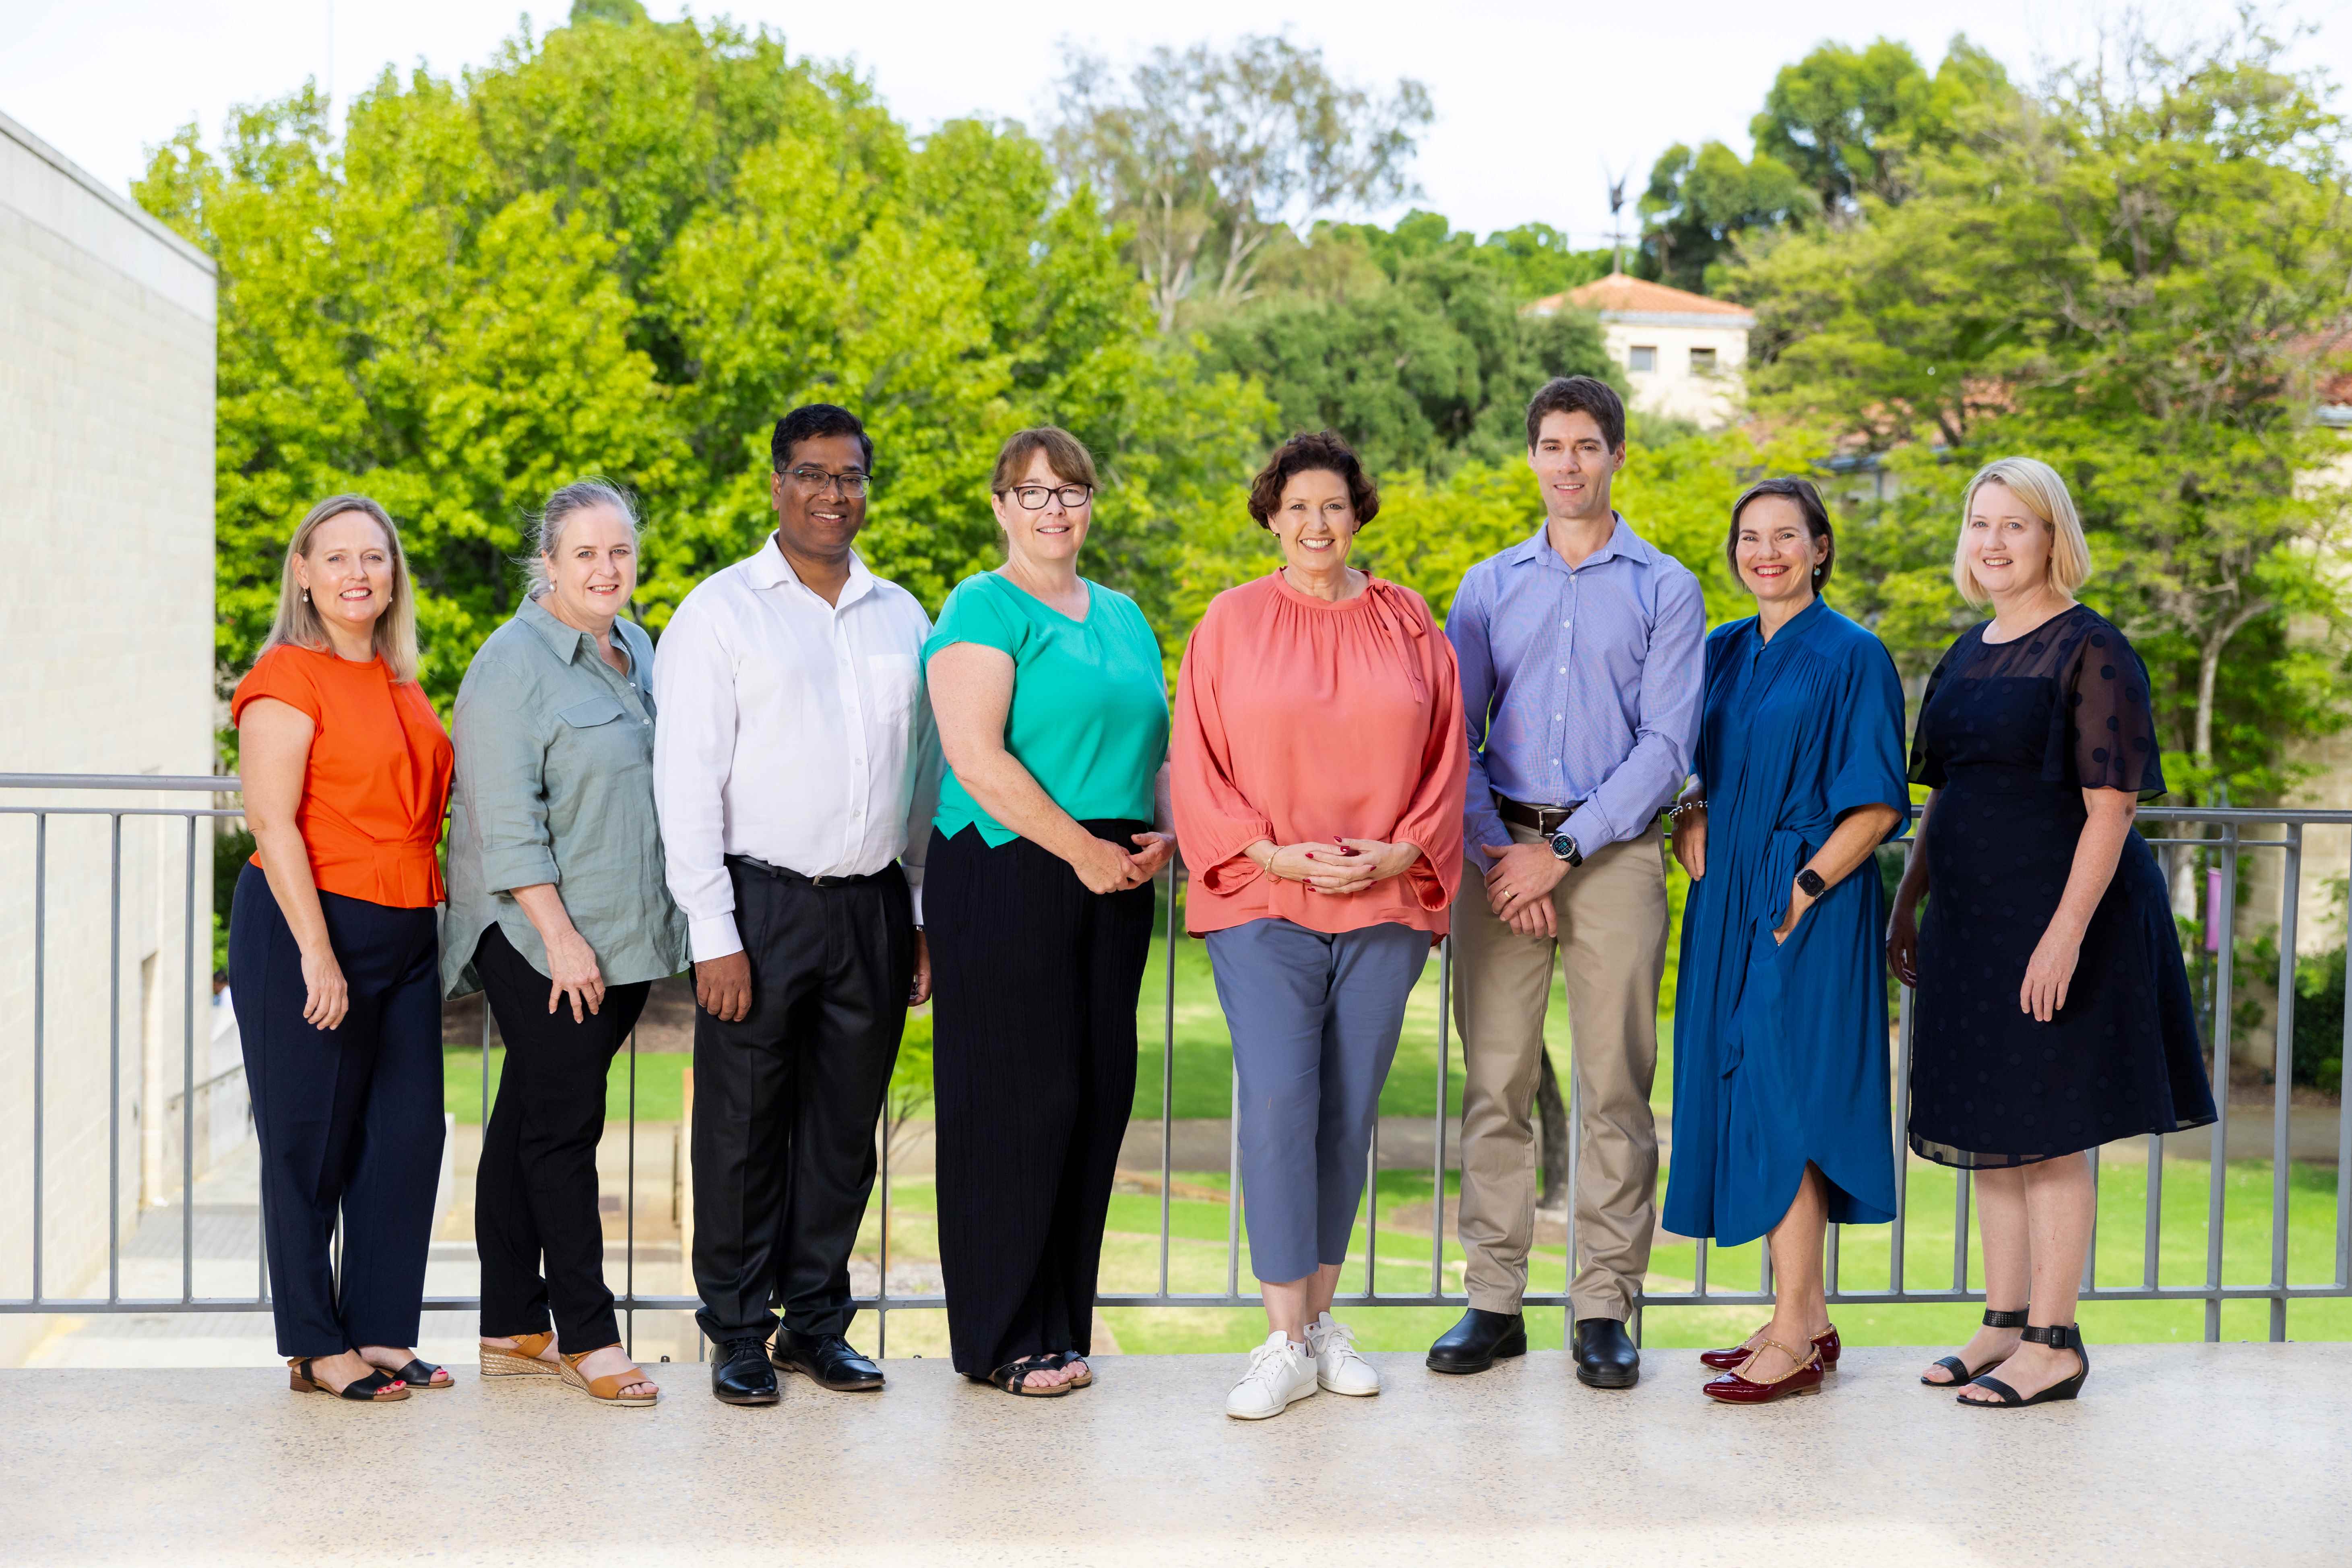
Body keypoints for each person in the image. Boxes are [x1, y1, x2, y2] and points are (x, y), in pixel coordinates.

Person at [1889, 457, 2214, 1409]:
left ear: (2051, 537)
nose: (1994, 543)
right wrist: (1910, 899)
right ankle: (2002, 1321)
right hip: (1971, 921)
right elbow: (1944, 792)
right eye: (1981, 524)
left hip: (2064, 917)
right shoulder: (1966, 650)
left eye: (2015, 526)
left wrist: (2065, 935)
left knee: (2048, 1127)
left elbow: (2110, 808)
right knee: (1993, 1123)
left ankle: (2056, 1340)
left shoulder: (2093, 649)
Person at [1172, 431, 1468, 1420]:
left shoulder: (1409, 620)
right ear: (1270, 514)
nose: (1315, 523)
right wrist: (1265, 851)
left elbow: (1447, 751)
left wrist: (1406, 849)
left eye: (1333, 505)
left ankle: (1321, 1322)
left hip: (1384, 900)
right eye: (1296, 505)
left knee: (1348, 1108)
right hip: (1265, 899)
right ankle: (1283, 1336)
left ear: (1358, 514)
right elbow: (1198, 760)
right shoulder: (1230, 622)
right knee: (1280, 1102)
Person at [653, 404, 940, 1407]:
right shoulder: (720, 612)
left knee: (840, 1130)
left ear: (867, 488)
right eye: (813, 475)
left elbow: (923, 786)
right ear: (777, 485)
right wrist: (713, 934)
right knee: (740, 1129)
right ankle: (736, 1330)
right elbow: (684, 785)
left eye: (851, 476)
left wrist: (914, 915)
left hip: (868, 907)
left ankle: (816, 1324)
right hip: (758, 904)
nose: (833, 493)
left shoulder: (904, 616)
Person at [1433, 374, 1704, 1389]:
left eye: (1587, 445)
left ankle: (1603, 1306)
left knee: (1615, 1088)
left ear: (1617, 456)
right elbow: (1453, 733)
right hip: (1501, 856)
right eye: (1551, 444)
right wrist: (1505, 853)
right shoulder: (1488, 584)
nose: (1569, 463)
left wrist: (1570, 849)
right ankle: (1494, 1301)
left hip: (1616, 855)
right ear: (1533, 457)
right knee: (1497, 1082)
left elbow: (1668, 742)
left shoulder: (1667, 588)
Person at [925, 427, 1174, 1397]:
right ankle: (1001, 1336)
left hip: (1115, 877)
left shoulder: (1124, 614)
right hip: (1009, 865)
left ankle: (1062, 1324)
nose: (1055, 509)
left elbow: (1156, 745)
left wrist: (1169, 837)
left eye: (1071, 491)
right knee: (1012, 1106)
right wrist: (1082, 852)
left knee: (1092, 1101)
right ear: (1001, 507)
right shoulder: (981, 606)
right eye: (1033, 493)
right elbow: (978, 758)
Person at [1660, 478, 1908, 1405]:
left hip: (1808, 899)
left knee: (1786, 1097)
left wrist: (1806, 887)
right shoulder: (1723, 650)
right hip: (1726, 898)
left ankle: (1798, 1331)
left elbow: (1880, 797)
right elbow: (1690, 757)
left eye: (1786, 537)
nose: (1767, 552)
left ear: (1821, 547)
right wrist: (1690, 805)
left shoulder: (1855, 654)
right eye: (1750, 538)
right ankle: (1798, 1309)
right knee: (1739, 1090)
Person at [444, 479, 685, 1408]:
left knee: (530, 1119)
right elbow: (507, 825)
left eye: (619, 551)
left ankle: (510, 1320)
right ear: (547, 560)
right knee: (564, 1129)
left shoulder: (642, 650)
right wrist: (562, 939)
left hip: (623, 935)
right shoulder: (511, 666)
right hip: (543, 938)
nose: (606, 569)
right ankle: (588, 1331)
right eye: (584, 553)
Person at [227, 494, 454, 1404]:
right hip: (307, 926)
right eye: (337, 558)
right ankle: (317, 1344)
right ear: (305, 577)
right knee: (308, 1143)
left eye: (375, 557)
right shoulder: (288, 674)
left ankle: (382, 1330)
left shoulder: (402, 681)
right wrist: (317, 953)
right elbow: (273, 823)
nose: (359, 573)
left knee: (407, 1136)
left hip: (405, 927)